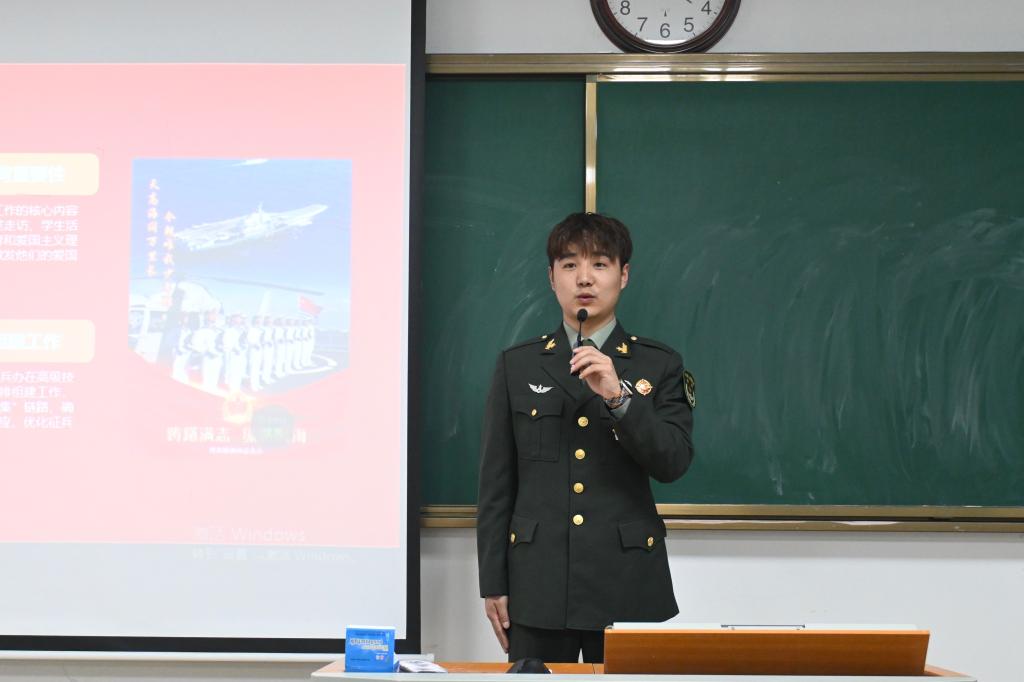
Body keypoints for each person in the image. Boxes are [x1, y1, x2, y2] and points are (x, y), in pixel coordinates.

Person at [476, 212, 696, 664]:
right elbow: (496, 484)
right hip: (537, 583)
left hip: (627, 581)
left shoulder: (659, 364)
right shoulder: (518, 364)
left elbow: (673, 462)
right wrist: (493, 583)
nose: (584, 278)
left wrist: (619, 397)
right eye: (570, 264)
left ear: (623, 275)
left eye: (599, 263)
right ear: (551, 277)